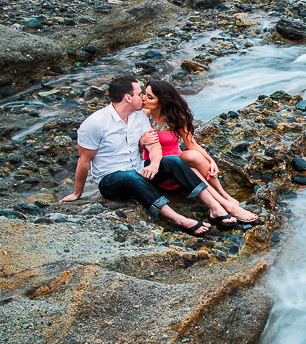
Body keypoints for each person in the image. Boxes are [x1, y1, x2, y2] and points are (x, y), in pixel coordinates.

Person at [59, 75, 238, 235]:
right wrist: (77, 193)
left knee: (174, 160)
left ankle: (215, 208)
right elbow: (84, 160)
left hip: (137, 169)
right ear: (128, 98)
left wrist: (153, 164)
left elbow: (155, 146)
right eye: (139, 94)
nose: (143, 98)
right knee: (128, 176)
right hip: (110, 180)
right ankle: (179, 219)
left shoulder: (139, 116)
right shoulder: (95, 123)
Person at [138, 79, 257, 223]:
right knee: (191, 169)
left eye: (149, 96)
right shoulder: (143, 115)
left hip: (178, 163)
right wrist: (142, 142)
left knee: (193, 156)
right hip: (159, 168)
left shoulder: (176, 118)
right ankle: (226, 206)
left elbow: (191, 143)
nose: (143, 98)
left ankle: (224, 195)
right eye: (145, 94)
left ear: (163, 101)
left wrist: (210, 160)